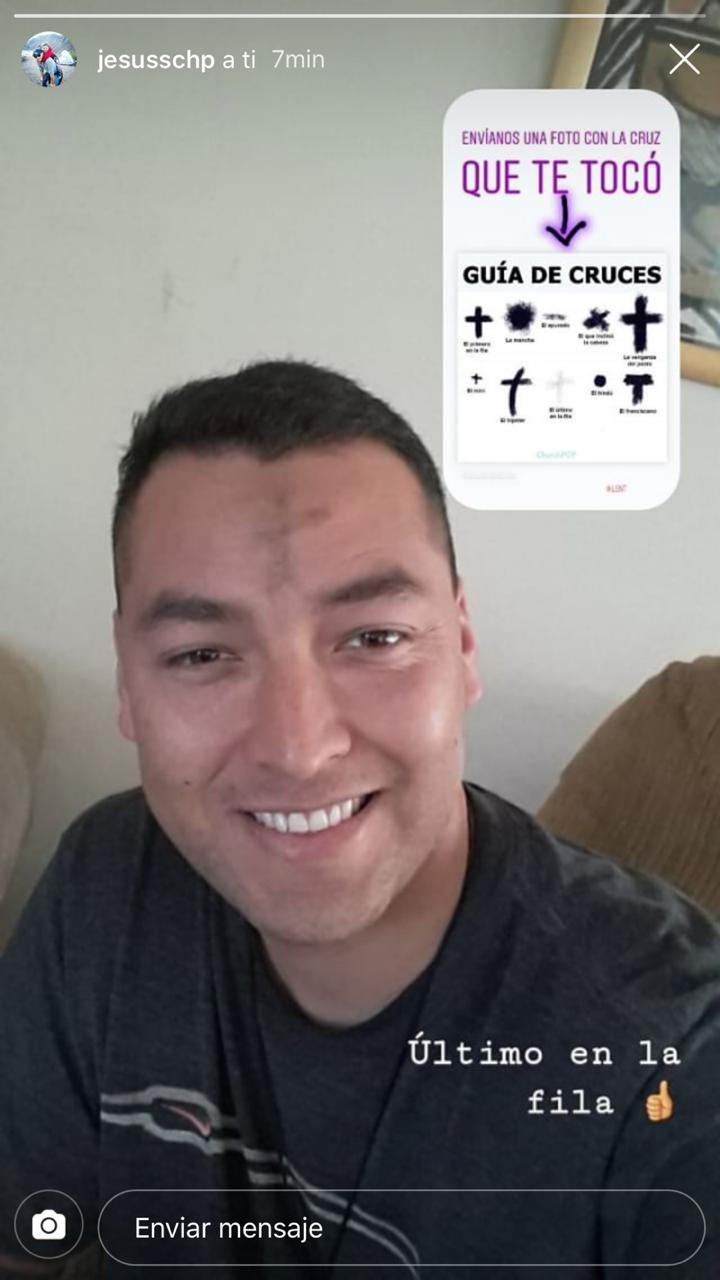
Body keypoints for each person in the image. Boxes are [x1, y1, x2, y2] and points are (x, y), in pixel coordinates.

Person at [0, 360, 718, 1279]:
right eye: (203, 654)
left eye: (375, 638)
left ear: (462, 647)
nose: (299, 749)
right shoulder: (111, 882)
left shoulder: (668, 1057)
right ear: (128, 685)